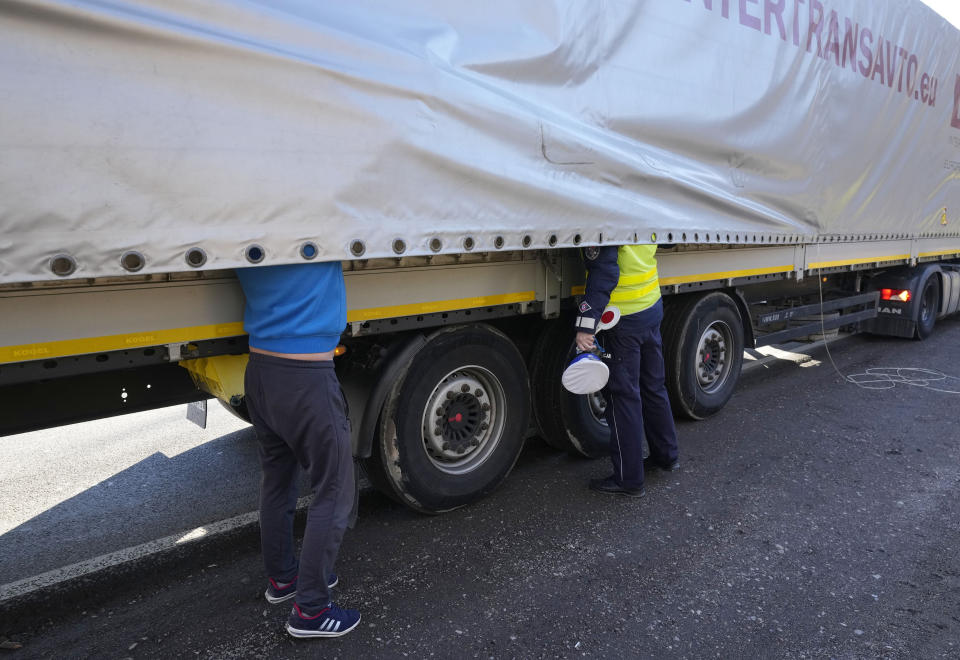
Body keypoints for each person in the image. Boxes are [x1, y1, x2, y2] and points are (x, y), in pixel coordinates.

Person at [235, 261, 361, 638]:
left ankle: (283, 579)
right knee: (335, 489)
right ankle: (311, 612)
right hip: (305, 379)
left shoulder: (243, 226)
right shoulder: (308, 218)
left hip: (260, 368)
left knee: (278, 480)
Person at [574, 244, 679, 497]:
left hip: (624, 319)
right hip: (650, 307)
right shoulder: (645, 205)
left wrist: (585, 326)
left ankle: (628, 479)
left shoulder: (611, 213)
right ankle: (667, 456)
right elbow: (667, 241)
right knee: (653, 386)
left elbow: (605, 274)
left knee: (623, 398)